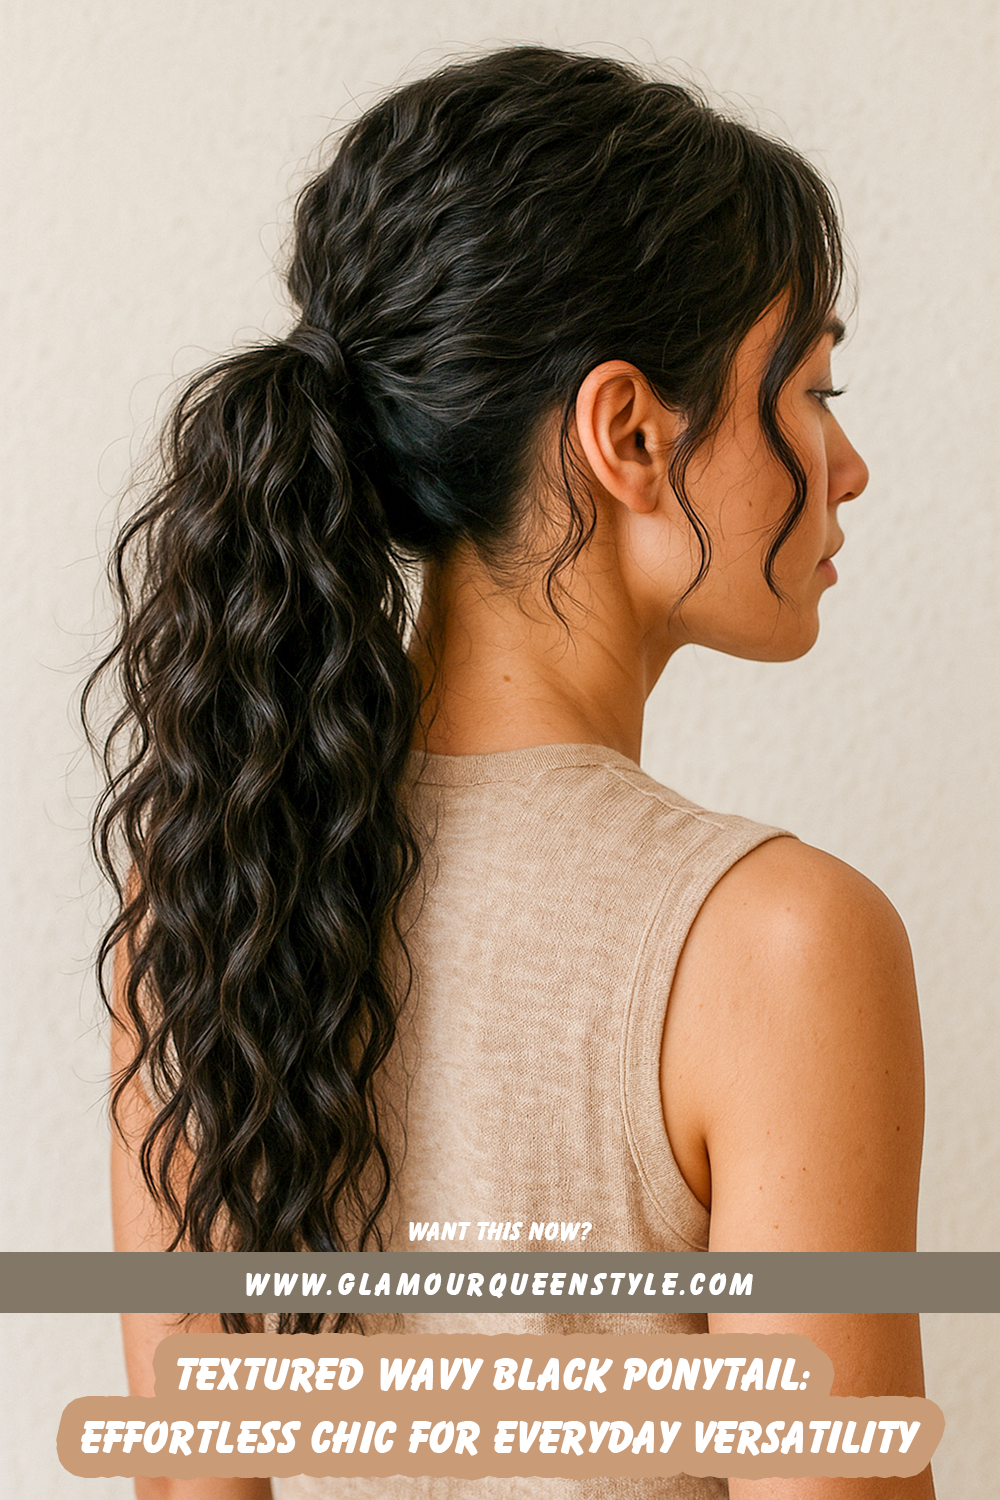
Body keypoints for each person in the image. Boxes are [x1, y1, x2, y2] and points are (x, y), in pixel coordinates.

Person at [88, 45, 933, 1500]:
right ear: (626, 433)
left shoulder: (207, 889)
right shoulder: (779, 946)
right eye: (811, 387)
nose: (843, 464)